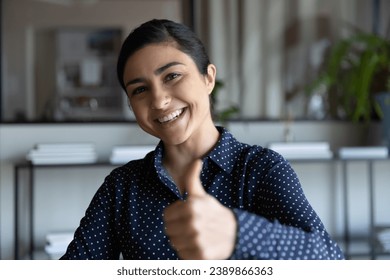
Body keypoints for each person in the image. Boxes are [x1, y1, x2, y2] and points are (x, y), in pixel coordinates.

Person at [60, 19, 344, 260]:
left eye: (172, 76)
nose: (159, 100)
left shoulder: (260, 169)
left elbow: (330, 260)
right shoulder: (122, 187)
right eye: (140, 90)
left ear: (208, 78)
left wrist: (237, 232)